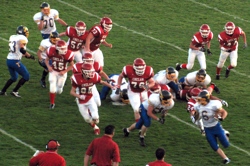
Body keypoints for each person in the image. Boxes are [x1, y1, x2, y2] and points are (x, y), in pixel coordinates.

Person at [70, 63, 115, 135]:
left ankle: (95, 122)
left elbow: (102, 82)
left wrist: (111, 86)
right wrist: (79, 96)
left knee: (95, 118)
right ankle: (95, 127)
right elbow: (72, 92)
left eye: (91, 71)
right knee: (87, 119)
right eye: (89, 72)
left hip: (90, 98)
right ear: (83, 72)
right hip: (80, 101)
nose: (91, 73)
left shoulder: (94, 77)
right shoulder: (76, 78)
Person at [193, 90, 231, 164]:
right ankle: (226, 158)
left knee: (226, 145)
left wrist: (221, 118)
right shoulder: (197, 105)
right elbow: (197, 114)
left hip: (216, 127)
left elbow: (224, 112)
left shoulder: (214, 104)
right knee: (214, 146)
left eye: (202, 100)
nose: (200, 101)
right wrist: (195, 117)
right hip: (207, 128)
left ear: (206, 99)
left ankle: (225, 133)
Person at [0, 25, 35, 97]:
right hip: (14, 61)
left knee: (14, 78)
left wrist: (25, 55)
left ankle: (3, 91)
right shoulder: (23, 38)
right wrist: (30, 56)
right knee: (26, 76)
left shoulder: (12, 37)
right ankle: (15, 91)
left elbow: (17, 50)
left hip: (9, 60)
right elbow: (22, 50)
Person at [45, 39, 74, 109]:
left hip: (62, 73)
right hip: (53, 71)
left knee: (59, 89)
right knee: (52, 87)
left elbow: (72, 65)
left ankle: (59, 90)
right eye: (62, 49)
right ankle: (52, 103)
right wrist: (49, 67)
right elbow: (46, 60)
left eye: (65, 48)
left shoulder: (68, 54)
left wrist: (65, 71)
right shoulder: (51, 51)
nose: (64, 50)